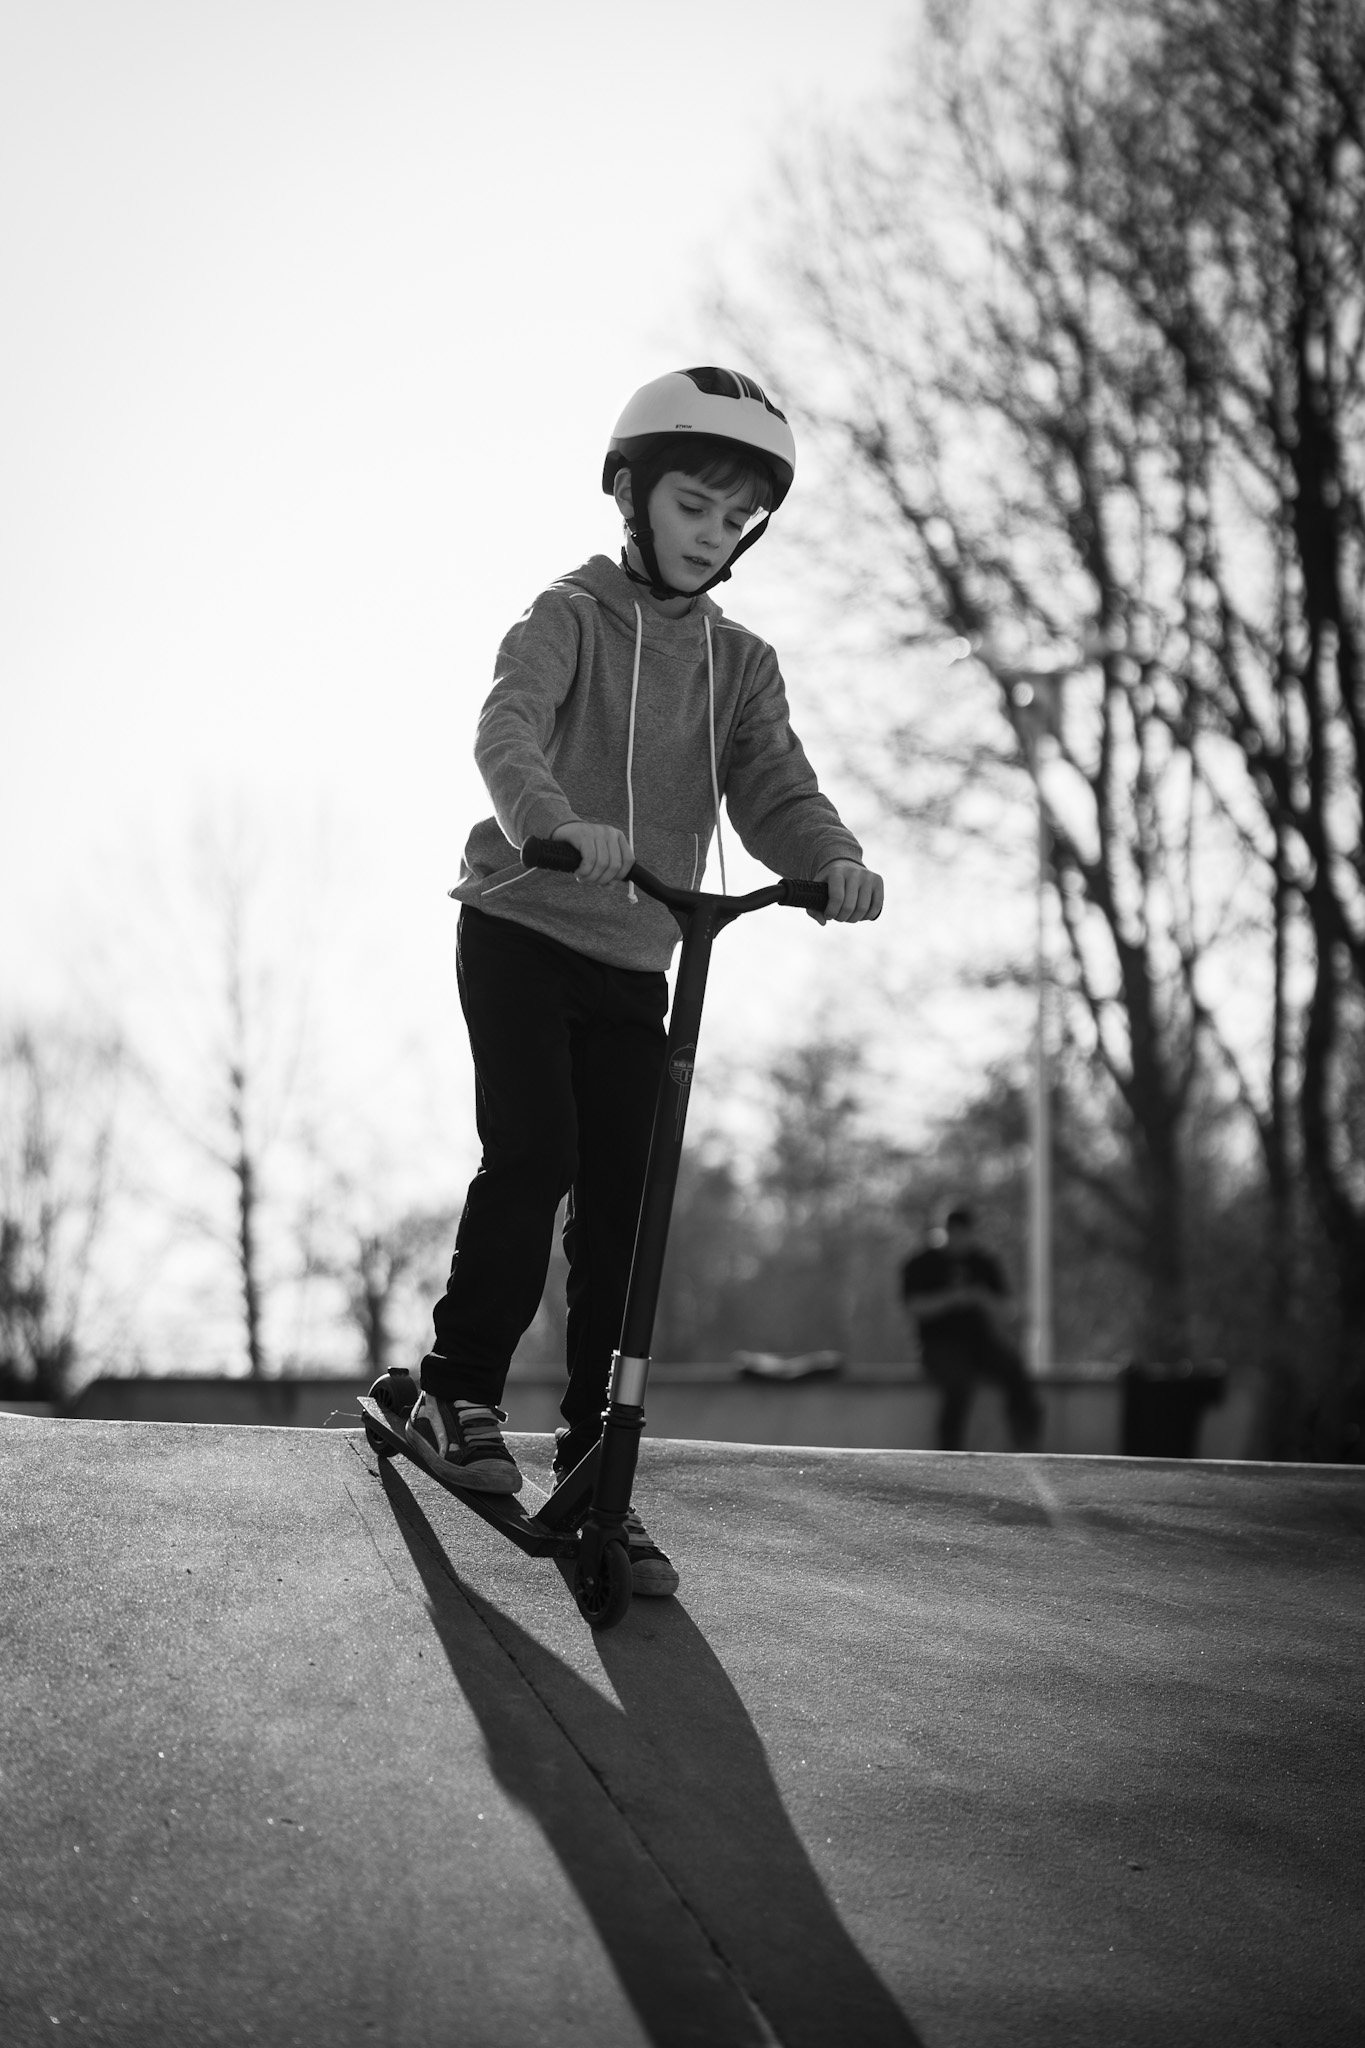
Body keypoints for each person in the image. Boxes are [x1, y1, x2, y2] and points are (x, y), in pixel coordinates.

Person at [409, 367, 884, 1596]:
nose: (712, 534)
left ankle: (592, 1459)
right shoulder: (568, 612)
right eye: (693, 505)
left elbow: (772, 783)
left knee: (630, 1200)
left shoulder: (741, 662)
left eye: (735, 520)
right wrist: (553, 822)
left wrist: (828, 857)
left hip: (635, 961)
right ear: (631, 491)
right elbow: (505, 727)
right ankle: (456, 1392)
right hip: (522, 928)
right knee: (540, 1156)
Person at [899, 1205, 1043, 1452]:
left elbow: (1008, 1310)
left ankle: (1027, 1442)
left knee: (1013, 1367)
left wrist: (981, 1297)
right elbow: (912, 1306)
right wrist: (950, 1299)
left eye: (963, 1233)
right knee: (958, 1383)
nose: (959, 1240)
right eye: (953, 1233)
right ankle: (948, 1452)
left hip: (979, 1343)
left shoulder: (982, 1262)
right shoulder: (922, 1262)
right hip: (938, 1345)